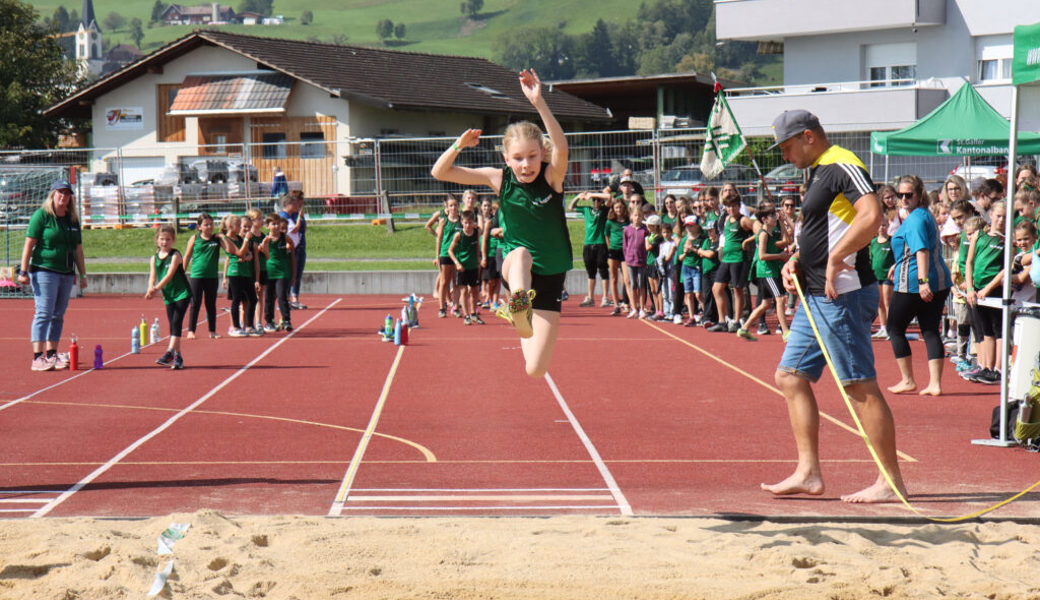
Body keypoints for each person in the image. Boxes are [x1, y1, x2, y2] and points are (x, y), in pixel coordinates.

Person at [763, 109, 907, 504]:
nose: (784, 156)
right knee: (790, 377)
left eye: (787, 146)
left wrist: (834, 257)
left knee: (859, 385)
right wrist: (798, 260)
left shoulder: (842, 163)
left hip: (840, 295)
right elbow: (825, 229)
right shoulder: (821, 171)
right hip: (815, 297)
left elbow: (872, 214)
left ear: (808, 136)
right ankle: (809, 472)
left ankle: (890, 481)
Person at [430, 68, 572, 378]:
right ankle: (519, 304)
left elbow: (561, 148)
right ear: (506, 158)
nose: (526, 165)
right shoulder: (500, 179)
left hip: (551, 276)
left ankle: (521, 317)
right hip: (517, 265)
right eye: (518, 158)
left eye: (532, 156)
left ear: (541, 155)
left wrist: (539, 103)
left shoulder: (552, 178)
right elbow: (440, 173)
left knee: (535, 369)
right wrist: (458, 145)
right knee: (521, 254)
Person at [885, 175, 954, 396]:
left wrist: (923, 281)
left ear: (919, 194)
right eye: (900, 195)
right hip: (938, 279)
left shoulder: (914, 219)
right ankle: (935, 383)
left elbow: (921, 250)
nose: (903, 199)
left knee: (894, 327)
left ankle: (908, 379)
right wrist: (898, 264)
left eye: (908, 195)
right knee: (930, 329)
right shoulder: (925, 215)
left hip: (915, 283)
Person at [17, 180, 87, 371]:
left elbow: (78, 250)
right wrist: (23, 271)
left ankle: (52, 353)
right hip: (44, 270)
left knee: (58, 315)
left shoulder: (72, 219)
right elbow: (29, 244)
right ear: (53, 194)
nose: (63, 197)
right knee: (44, 312)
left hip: (66, 272)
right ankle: (37, 357)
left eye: (67, 193)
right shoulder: (42, 216)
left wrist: (83, 274)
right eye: (60, 193)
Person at [964, 201, 1007, 385]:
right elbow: (969, 262)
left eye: (1005, 217)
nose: (1001, 220)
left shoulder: (1006, 240)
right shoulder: (979, 236)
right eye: (998, 216)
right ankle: (986, 367)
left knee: (998, 329)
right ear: (990, 215)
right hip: (977, 289)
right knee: (984, 330)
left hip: (994, 290)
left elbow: (1005, 269)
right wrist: (970, 287)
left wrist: (988, 288)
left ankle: (997, 369)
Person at [738, 204, 791, 341]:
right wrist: (779, 256)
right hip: (766, 271)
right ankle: (785, 331)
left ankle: (744, 328)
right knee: (780, 298)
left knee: (765, 304)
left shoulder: (773, 233)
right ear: (764, 219)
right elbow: (761, 255)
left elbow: (786, 241)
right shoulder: (763, 234)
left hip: (771, 270)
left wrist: (782, 222)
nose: (775, 217)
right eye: (772, 215)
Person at [145, 225, 191, 369]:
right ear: (157, 240)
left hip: (182, 293)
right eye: (162, 239)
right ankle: (179, 357)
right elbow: (153, 275)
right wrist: (150, 288)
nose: (165, 242)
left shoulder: (175, 255)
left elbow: (169, 275)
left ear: (173, 240)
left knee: (176, 323)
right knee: (173, 326)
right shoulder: (154, 258)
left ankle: (169, 352)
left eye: (168, 239)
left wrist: (157, 289)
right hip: (169, 296)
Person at [708, 193, 754, 333]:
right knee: (717, 288)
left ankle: (736, 321)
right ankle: (722, 321)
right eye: (728, 206)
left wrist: (746, 241)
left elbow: (759, 231)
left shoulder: (744, 220)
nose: (731, 209)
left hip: (738, 259)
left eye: (734, 206)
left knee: (737, 289)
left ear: (739, 206)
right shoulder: (727, 219)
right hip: (726, 259)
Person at [184, 213, 234, 339]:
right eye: (206, 225)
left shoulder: (216, 239)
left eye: (211, 224)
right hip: (197, 276)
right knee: (195, 303)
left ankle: (212, 331)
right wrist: (181, 272)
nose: (209, 227)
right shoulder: (195, 238)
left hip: (211, 277)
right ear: (199, 227)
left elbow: (229, 250)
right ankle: (191, 331)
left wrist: (223, 237)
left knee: (211, 304)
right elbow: (187, 256)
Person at [569, 191, 610, 307]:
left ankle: (605, 297)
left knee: (603, 270)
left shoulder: (604, 210)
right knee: (590, 272)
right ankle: (590, 297)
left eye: (598, 200)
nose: (596, 202)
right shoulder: (587, 209)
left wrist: (592, 194)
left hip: (600, 243)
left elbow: (609, 198)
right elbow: (571, 207)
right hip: (588, 243)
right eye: (594, 200)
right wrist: (578, 196)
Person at [448, 210, 484, 325]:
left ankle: (473, 313)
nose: (468, 225)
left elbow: (477, 246)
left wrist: (479, 258)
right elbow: (450, 251)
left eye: (470, 222)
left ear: (473, 222)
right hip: (462, 267)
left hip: (473, 266)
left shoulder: (476, 233)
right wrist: (457, 263)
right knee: (464, 291)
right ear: (462, 223)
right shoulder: (459, 235)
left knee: (475, 291)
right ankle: (466, 315)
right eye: (465, 223)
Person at [260, 214, 296, 332]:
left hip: (282, 272)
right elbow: (261, 251)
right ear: (267, 226)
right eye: (273, 224)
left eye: (277, 224)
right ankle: (269, 321)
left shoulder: (284, 237)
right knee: (269, 297)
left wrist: (288, 250)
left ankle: (286, 320)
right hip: (269, 271)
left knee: (281, 296)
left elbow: (292, 247)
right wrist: (265, 243)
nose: (276, 226)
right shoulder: (266, 239)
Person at [433, 195, 461, 318]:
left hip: (457, 254)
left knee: (456, 282)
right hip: (445, 253)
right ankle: (441, 307)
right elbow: (439, 239)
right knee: (444, 281)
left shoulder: (461, 220)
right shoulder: (443, 221)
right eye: (451, 205)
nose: (453, 208)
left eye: (455, 205)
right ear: (447, 207)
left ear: (458, 206)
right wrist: (437, 255)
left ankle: (455, 307)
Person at [279, 190, 308, 310]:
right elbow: (294, 229)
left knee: (297, 274)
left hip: (299, 246)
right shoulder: (285, 216)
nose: (298, 205)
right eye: (295, 203)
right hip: (290, 249)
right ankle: (286, 299)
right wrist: (299, 219)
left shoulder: (295, 214)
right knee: (290, 274)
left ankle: (293, 298)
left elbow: (303, 228)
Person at [622, 201, 649, 318]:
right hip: (630, 261)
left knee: (641, 284)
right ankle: (634, 307)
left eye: (639, 215)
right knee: (633, 284)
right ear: (631, 216)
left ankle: (642, 307)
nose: (637, 217)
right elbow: (625, 245)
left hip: (641, 260)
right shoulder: (627, 230)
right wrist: (627, 257)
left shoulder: (645, 230)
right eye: (635, 215)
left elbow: (647, 245)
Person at [869, 220, 894, 340]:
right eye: (879, 225)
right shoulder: (873, 242)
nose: (881, 228)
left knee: (887, 301)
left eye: (883, 225)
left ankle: (890, 328)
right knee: (879, 303)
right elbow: (871, 258)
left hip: (887, 276)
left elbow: (897, 258)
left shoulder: (891, 241)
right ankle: (883, 327)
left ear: (888, 226)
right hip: (876, 275)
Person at [604, 198, 629, 314]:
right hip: (613, 251)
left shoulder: (627, 221)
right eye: (616, 207)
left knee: (626, 278)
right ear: (613, 209)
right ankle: (616, 304)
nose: (619, 210)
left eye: (621, 207)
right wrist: (610, 247)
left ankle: (625, 301)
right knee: (614, 278)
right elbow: (607, 235)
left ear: (624, 208)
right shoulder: (610, 222)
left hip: (625, 251)